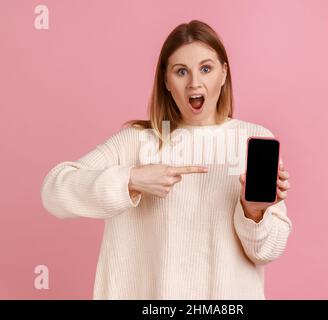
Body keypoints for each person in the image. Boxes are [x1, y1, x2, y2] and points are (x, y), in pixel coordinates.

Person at [40, 20, 292, 300]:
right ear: (166, 81)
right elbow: (54, 192)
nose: (194, 83)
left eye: (205, 69)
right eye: (181, 71)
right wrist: (132, 180)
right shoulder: (137, 141)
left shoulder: (253, 140)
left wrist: (254, 212)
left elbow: (265, 252)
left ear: (223, 73)